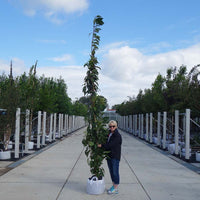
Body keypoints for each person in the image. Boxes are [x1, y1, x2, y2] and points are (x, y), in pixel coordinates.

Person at [98, 120, 122, 194]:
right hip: (109, 156)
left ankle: (115, 188)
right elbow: (105, 140)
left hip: (115, 156)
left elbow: (110, 145)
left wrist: (101, 146)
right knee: (111, 171)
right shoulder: (109, 133)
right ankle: (114, 186)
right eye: (110, 126)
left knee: (115, 172)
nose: (111, 127)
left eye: (113, 126)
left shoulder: (117, 136)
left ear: (116, 126)